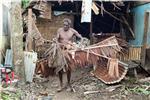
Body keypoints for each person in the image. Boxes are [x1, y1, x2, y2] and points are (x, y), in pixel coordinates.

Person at [56, 18, 83, 92]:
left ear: (69, 26)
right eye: (64, 25)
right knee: (60, 68)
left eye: (66, 25)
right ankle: (60, 84)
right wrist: (57, 43)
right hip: (61, 51)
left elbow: (80, 37)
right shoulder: (59, 30)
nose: (64, 26)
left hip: (69, 51)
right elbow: (56, 39)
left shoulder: (72, 31)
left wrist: (78, 44)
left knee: (69, 68)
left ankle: (68, 83)